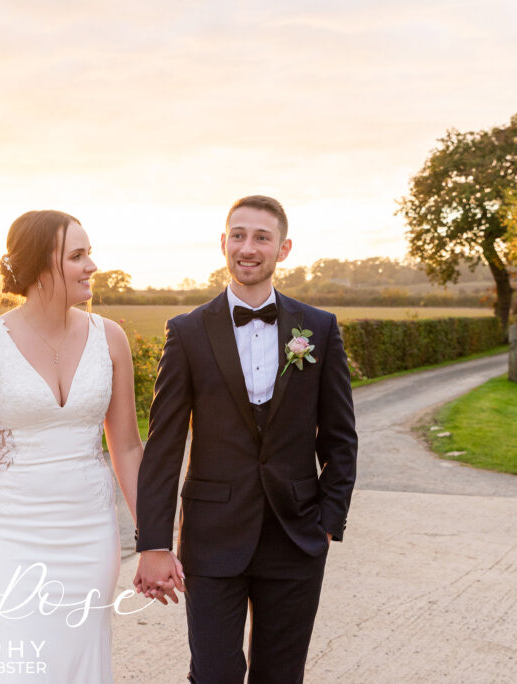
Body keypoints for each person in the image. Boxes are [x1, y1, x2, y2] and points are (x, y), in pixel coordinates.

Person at [134, 195, 358, 682]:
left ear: (284, 248)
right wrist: (153, 541)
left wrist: (327, 519)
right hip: (212, 539)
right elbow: (164, 443)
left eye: (262, 237)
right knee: (213, 675)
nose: (248, 247)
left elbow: (340, 437)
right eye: (238, 235)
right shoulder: (188, 332)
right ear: (222, 243)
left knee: (281, 675)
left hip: (296, 536)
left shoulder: (318, 328)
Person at [0, 210, 168, 682]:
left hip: (90, 536)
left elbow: (126, 447)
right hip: (9, 535)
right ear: (43, 266)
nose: (92, 266)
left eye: (90, 253)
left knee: (80, 665)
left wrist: (154, 542)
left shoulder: (111, 339)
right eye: (78, 256)